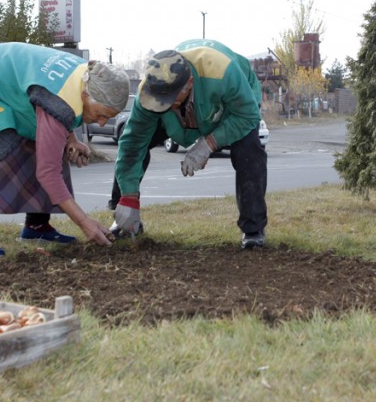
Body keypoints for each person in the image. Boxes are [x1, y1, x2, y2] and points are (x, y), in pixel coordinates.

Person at [0, 42, 130, 255]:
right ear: (85, 96)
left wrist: (71, 139)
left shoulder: (89, 78)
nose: (101, 123)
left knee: (49, 150)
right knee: (0, 150)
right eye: (100, 114)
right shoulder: (61, 97)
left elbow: (59, 111)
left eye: (107, 118)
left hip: (10, 82)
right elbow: (48, 172)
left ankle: (36, 226)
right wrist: (84, 223)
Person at [109, 39, 268, 249]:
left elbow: (247, 116)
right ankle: (124, 215)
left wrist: (208, 144)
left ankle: (253, 229)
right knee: (133, 144)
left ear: (189, 84)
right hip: (181, 115)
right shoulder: (150, 90)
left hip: (229, 106)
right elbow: (132, 144)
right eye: (158, 101)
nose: (161, 105)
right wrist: (129, 196)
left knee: (249, 151)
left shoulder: (223, 74)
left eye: (168, 100)